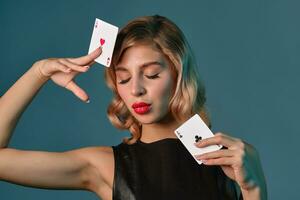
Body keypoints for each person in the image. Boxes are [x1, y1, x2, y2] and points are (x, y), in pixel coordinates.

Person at [0, 15, 267, 200]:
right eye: (124, 78)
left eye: (151, 74)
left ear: (179, 75)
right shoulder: (104, 166)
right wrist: (38, 73)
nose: (136, 89)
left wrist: (252, 189)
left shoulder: (237, 158)